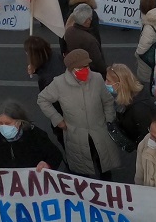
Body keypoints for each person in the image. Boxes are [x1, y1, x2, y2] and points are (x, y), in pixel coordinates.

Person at [38, 49, 120, 179]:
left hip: (99, 130)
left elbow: (108, 101)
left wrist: (109, 119)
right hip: (76, 134)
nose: (85, 70)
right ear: (71, 69)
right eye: (80, 67)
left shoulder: (97, 78)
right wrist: (57, 119)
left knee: (103, 162)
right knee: (82, 170)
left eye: (87, 66)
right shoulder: (59, 83)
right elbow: (42, 99)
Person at [0, 101, 63, 171]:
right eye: (0, 123)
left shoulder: (35, 135)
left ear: (19, 122)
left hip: (31, 182)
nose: (3, 127)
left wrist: (47, 164)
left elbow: (55, 155)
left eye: (8, 123)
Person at [106, 63, 156, 144]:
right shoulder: (130, 98)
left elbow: (146, 136)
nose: (106, 83)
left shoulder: (139, 108)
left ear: (119, 84)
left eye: (108, 81)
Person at [64, 3, 108, 77]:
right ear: (87, 20)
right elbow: (98, 62)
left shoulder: (69, 31)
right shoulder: (89, 40)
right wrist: (106, 70)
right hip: (91, 73)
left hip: (75, 68)